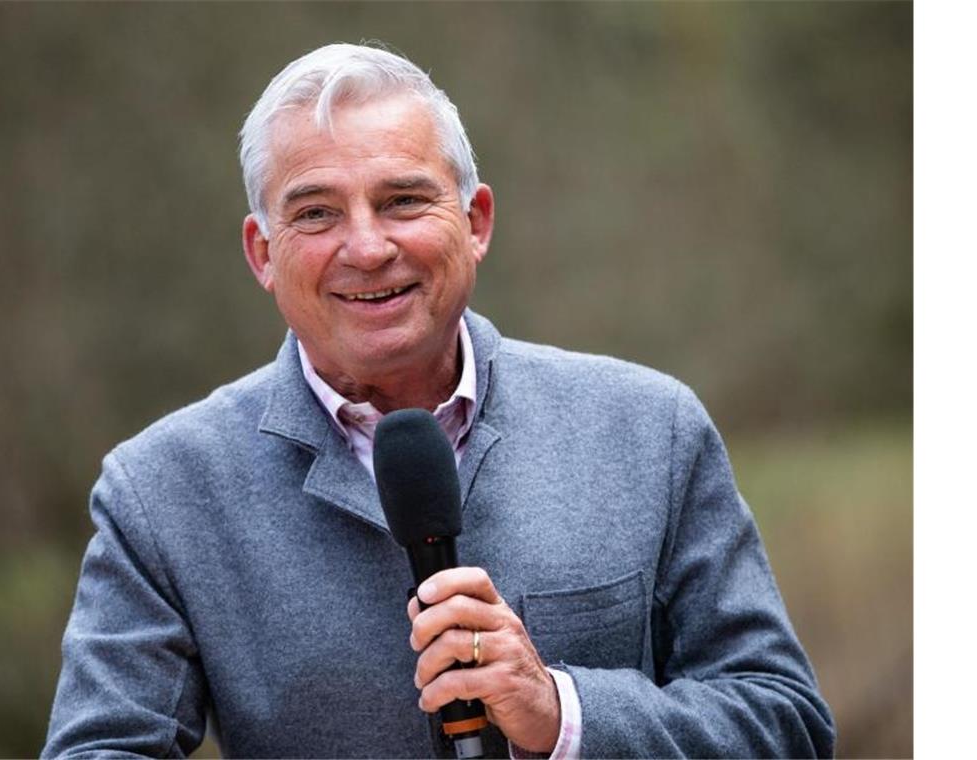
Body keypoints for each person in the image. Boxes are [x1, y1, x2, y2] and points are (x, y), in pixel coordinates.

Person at [44, 43, 835, 758]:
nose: (366, 246)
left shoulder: (649, 429)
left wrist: (563, 712)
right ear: (262, 253)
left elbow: (786, 725)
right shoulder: (159, 491)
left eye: (402, 201)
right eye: (316, 212)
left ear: (476, 220)